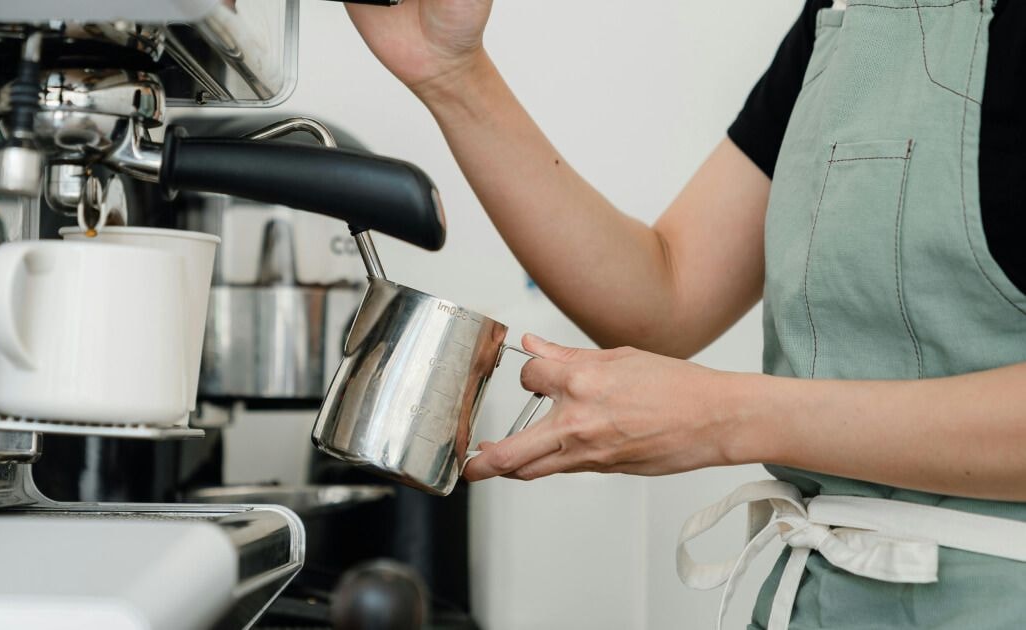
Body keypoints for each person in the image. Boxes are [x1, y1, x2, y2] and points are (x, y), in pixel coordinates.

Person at [345, 0, 1026, 628]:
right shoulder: (848, 14)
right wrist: (452, 74)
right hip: (817, 601)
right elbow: (667, 295)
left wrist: (730, 418)